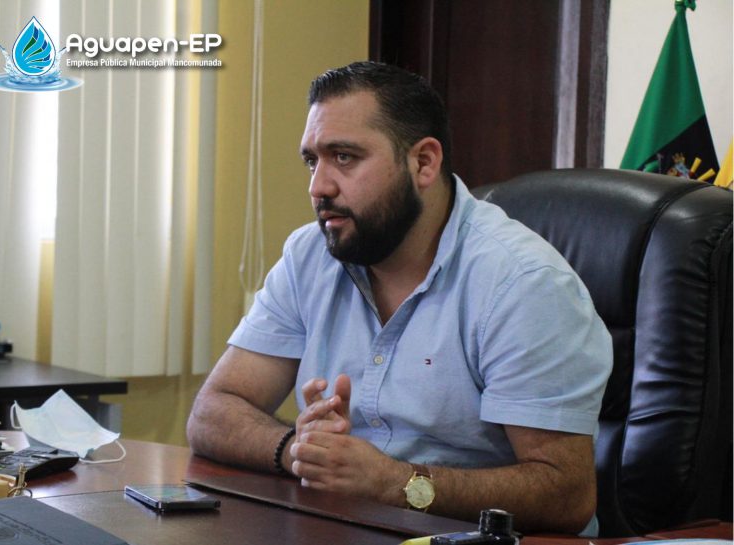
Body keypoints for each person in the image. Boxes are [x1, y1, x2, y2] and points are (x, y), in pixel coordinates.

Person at [186, 61, 612, 535]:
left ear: (423, 163)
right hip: (344, 528)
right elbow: (213, 411)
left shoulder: (522, 282)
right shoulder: (310, 256)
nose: (318, 186)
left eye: (344, 157)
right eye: (312, 161)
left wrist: (395, 483)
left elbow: (566, 493)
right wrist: (301, 452)